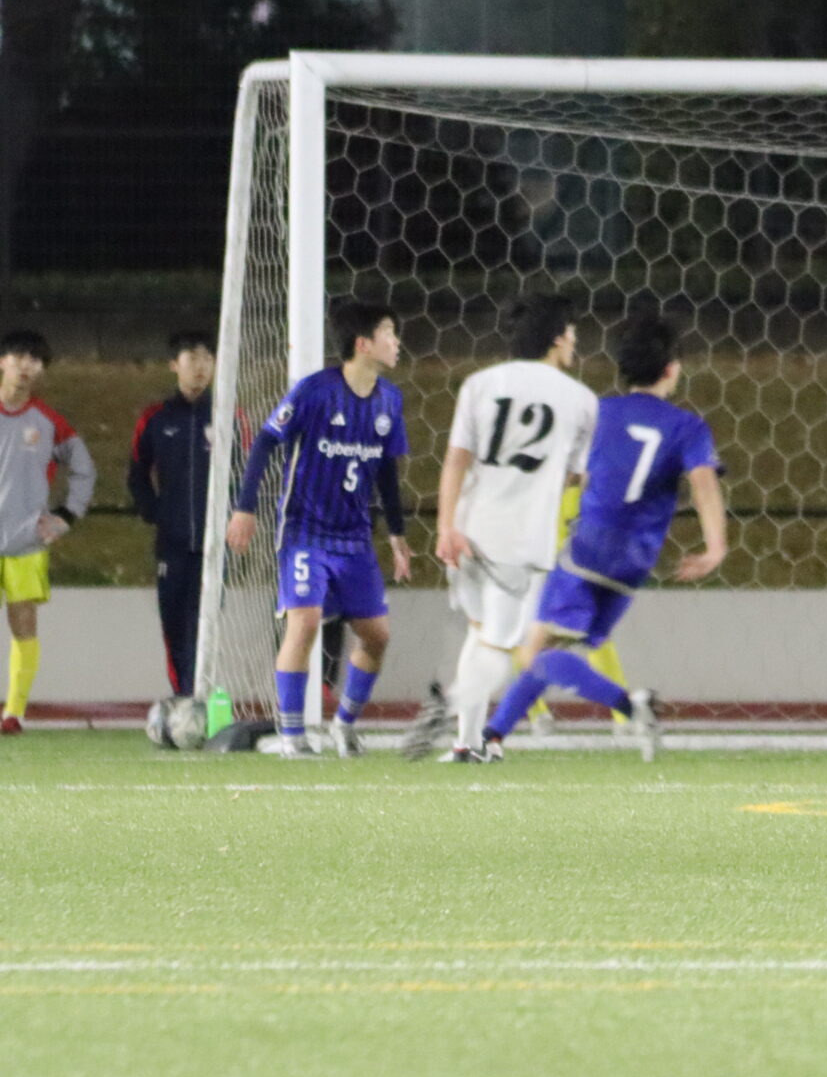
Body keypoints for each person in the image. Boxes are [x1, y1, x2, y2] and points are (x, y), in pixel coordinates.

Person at [481, 314, 722, 763]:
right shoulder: (688, 427)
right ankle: (491, 738)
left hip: (589, 546)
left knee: (533, 652)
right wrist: (715, 548)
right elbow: (704, 486)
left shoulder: (598, 413)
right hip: (635, 562)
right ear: (672, 369)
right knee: (559, 649)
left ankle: (630, 705)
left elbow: (571, 473)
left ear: (622, 369)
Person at [409, 294, 600, 762]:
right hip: (520, 537)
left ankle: (467, 743)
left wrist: (445, 526)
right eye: (572, 334)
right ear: (558, 337)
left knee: (479, 633)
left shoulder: (480, 383)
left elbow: (456, 459)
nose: (574, 343)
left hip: (469, 527)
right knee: (501, 643)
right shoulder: (580, 400)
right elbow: (577, 475)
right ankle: (450, 705)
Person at [224, 301, 412, 759]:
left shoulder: (389, 400)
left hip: (355, 538)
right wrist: (245, 508)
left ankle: (343, 726)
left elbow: (387, 471)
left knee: (377, 636)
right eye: (389, 332)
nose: (397, 342)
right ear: (363, 343)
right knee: (305, 622)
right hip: (305, 532)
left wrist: (397, 534)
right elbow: (266, 440)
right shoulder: (315, 391)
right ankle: (292, 736)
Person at [0, 331, 95, 734]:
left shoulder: (49, 422)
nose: (27, 365)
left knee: (23, 624)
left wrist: (66, 515)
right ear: (2, 361)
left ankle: (13, 713)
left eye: (36, 360)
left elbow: (84, 469)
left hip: (25, 542)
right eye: (19, 356)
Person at [128, 330, 217, 698]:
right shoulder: (155, 418)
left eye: (207, 358)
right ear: (174, 365)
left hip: (214, 546)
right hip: (173, 543)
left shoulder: (229, 415)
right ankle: (183, 696)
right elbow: (137, 472)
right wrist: (155, 511)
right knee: (175, 623)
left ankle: (201, 694)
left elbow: (245, 473)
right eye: (191, 358)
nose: (200, 367)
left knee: (205, 624)